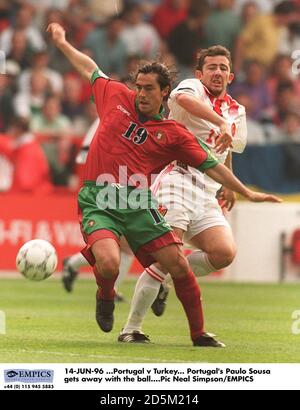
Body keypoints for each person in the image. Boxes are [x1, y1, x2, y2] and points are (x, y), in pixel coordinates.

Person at [47, 23, 281, 348]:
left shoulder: (173, 134)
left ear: (163, 92)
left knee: (180, 265)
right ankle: (106, 297)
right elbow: (89, 67)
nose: (140, 94)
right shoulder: (115, 95)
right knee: (111, 262)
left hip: (138, 204)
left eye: (148, 89)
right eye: (138, 87)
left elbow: (214, 163)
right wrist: (62, 41)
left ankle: (198, 334)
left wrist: (246, 192)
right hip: (99, 200)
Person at [119, 45, 248, 343]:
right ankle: (131, 328)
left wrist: (229, 183)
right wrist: (219, 122)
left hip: (208, 191)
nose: (218, 72)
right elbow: (182, 99)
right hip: (177, 178)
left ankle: (165, 280)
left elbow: (227, 146)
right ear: (201, 73)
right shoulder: (193, 88)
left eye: (223, 68)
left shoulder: (237, 111)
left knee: (224, 253)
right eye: (212, 67)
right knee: (167, 256)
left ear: (231, 74)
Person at [62, 118, 134, 300]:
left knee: (124, 242)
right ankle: (74, 265)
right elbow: (90, 154)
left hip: (115, 178)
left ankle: (73, 264)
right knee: (119, 240)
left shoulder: (117, 113)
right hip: (101, 180)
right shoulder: (114, 116)